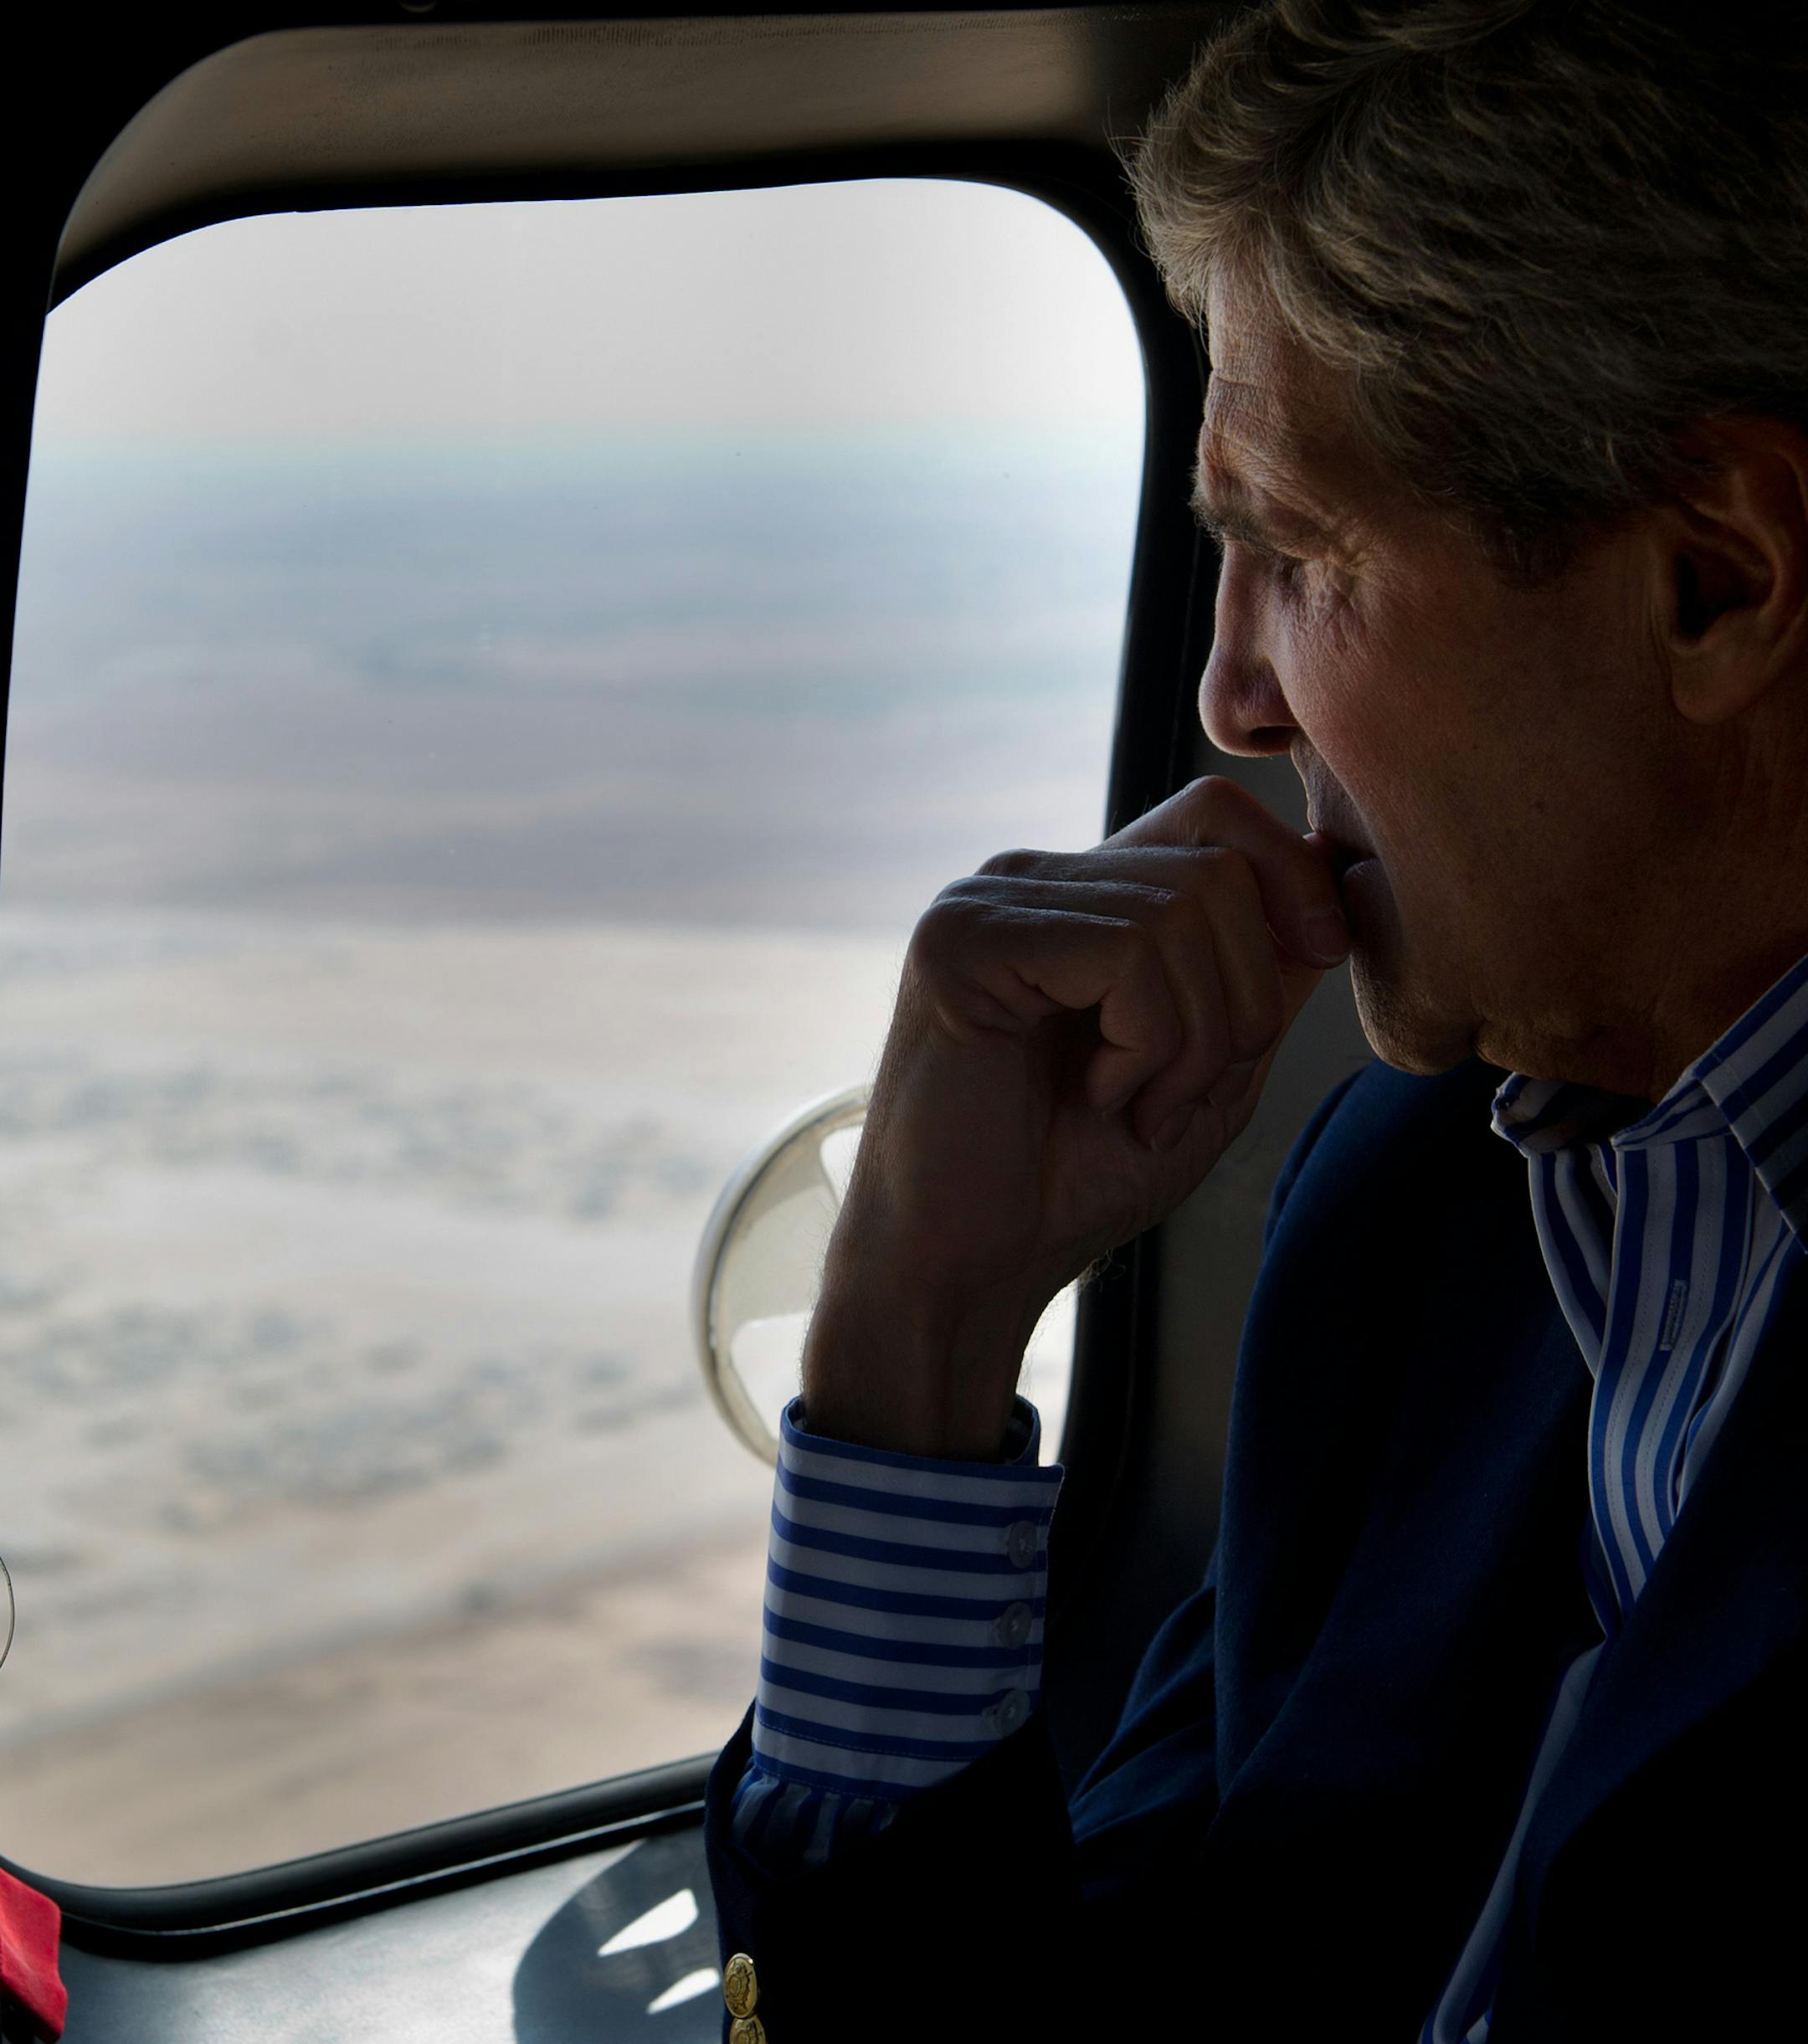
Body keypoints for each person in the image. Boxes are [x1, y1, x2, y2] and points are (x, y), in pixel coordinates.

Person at [705, 2, 1808, 2036]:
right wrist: (919, 1335)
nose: (1230, 700)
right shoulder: (1420, 1214)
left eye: (1297, 554)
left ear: (1719, 585)